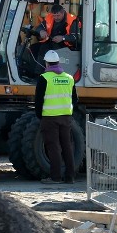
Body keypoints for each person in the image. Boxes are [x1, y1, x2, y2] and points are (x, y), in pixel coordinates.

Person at [35, 49, 78, 184]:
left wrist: (39, 116)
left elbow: (38, 100)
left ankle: (56, 177)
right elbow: (75, 99)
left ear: (47, 64)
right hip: (66, 117)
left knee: (53, 147)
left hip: (49, 118)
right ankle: (70, 177)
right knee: (67, 146)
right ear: (58, 62)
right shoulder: (69, 78)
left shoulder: (44, 78)